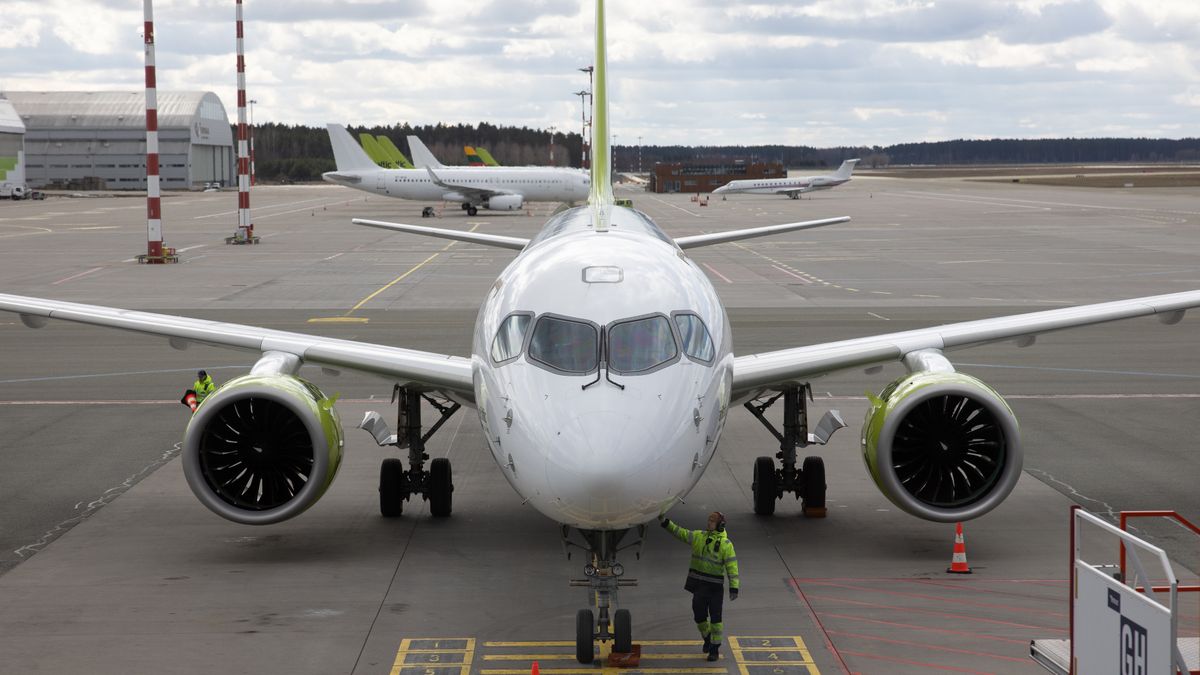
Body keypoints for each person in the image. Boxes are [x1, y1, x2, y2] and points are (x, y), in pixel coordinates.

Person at [659, 511, 739, 661]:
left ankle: (714, 649)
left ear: (720, 525)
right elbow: (680, 532)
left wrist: (734, 587)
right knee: (699, 616)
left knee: (716, 620)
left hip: (715, 588)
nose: (709, 523)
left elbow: (732, 567)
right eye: (708, 520)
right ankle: (707, 637)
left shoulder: (726, 545)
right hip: (700, 586)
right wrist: (665, 522)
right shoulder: (699, 537)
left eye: (712, 521)